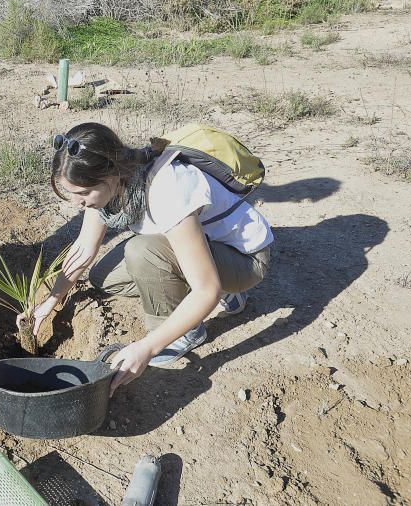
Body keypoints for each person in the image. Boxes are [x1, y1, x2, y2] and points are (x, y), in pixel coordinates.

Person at [21, 122, 274, 392]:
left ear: (111, 174)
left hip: (244, 260)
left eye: (83, 193)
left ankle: (188, 329)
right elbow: (84, 247)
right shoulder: (109, 185)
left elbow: (205, 290)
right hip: (204, 249)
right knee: (103, 277)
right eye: (70, 193)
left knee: (141, 252)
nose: (77, 203)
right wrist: (51, 300)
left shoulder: (167, 188)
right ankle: (209, 288)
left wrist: (148, 347)